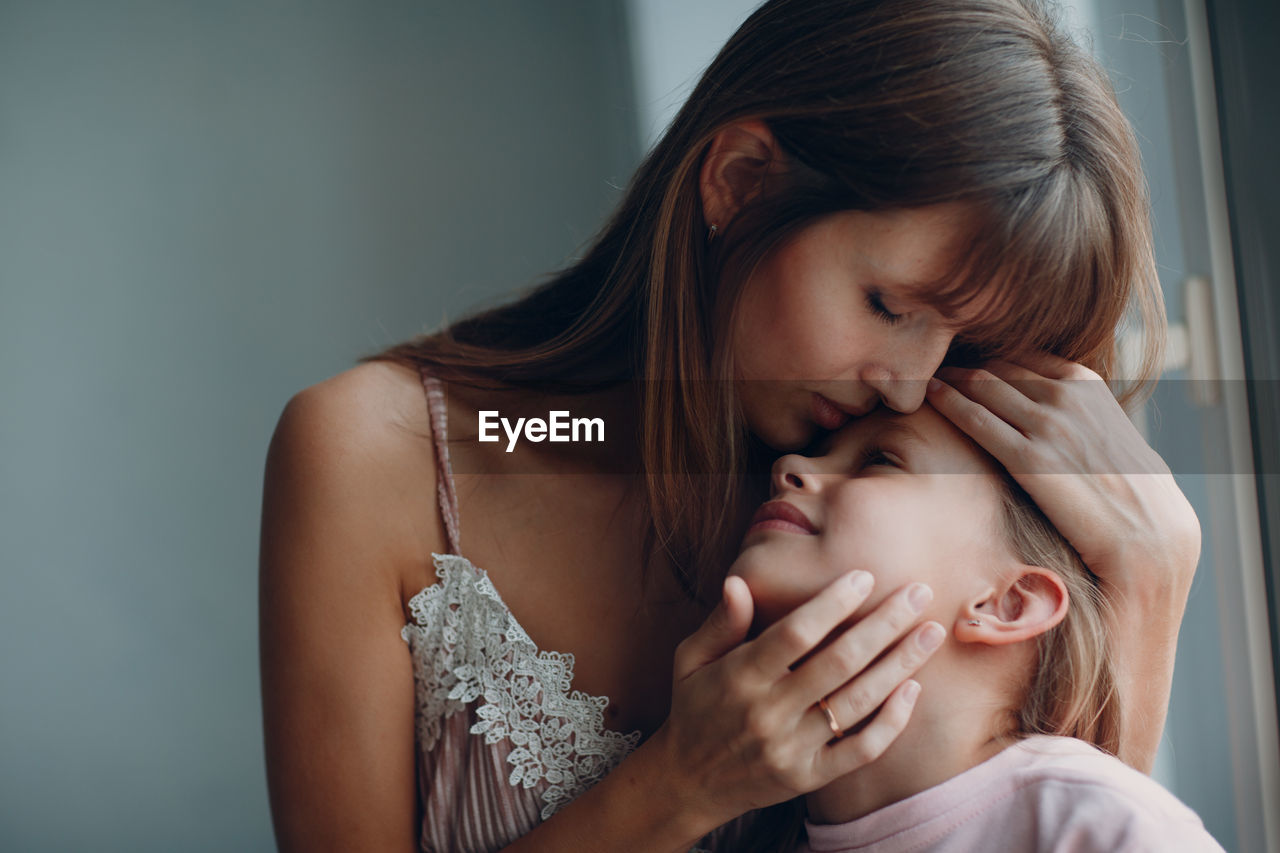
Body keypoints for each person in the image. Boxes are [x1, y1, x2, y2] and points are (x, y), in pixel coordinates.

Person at [258, 0, 1202, 850]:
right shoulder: (384, 461)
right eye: (888, 305)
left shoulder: (882, 534)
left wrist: (1148, 588)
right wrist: (677, 787)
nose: (911, 389)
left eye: (961, 347)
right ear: (742, 181)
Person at [727, 403, 1223, 852]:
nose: (787, 468)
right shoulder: (733, 822)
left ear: (1007, 604)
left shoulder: (1103, 828)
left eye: (880, 459)